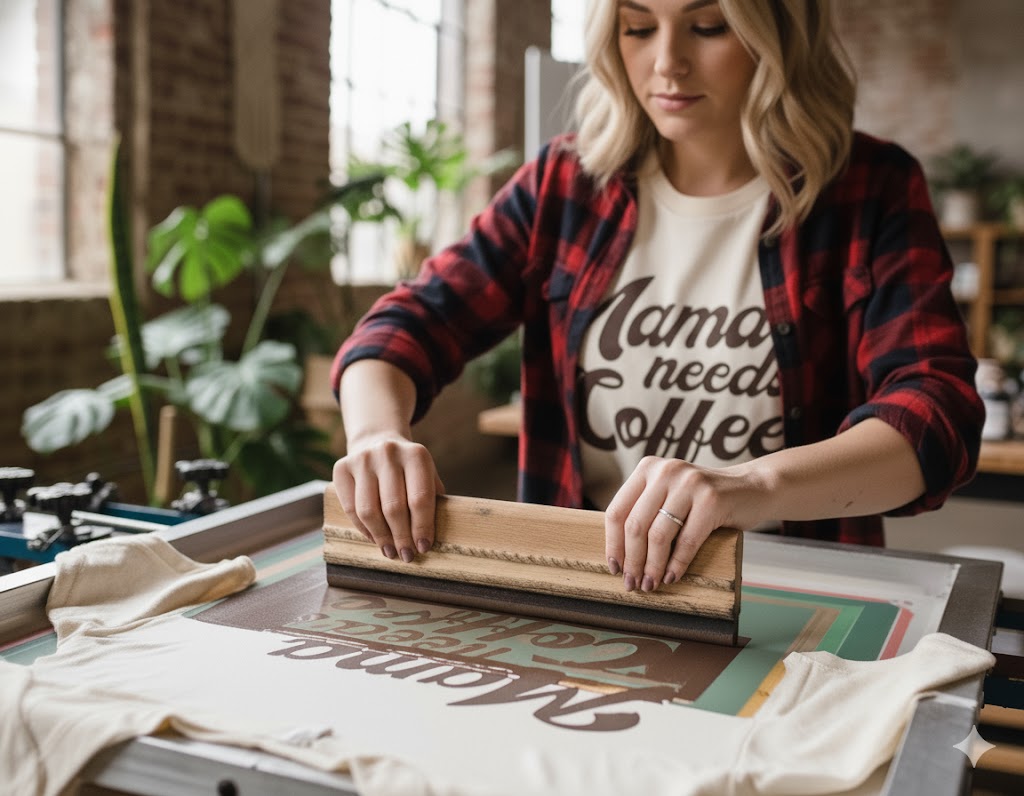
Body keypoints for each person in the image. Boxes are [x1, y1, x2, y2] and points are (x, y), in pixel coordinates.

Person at [331, 0, 983, 596]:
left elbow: (935, 414)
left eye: (708, 27)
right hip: (585, 588)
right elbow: (410, 322)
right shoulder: (564, 186)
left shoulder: (870, 190)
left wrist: (752, 485)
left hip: (792, 592)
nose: (666, 63)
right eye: (638, 28)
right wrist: (374, 435)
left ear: (777, 34)